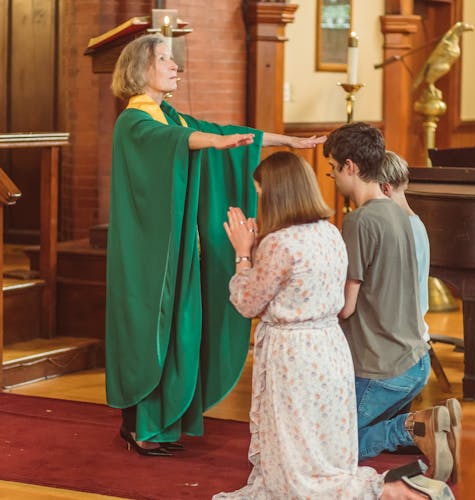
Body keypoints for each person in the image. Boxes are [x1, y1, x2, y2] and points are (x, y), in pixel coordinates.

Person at [105, 33, 326, 457]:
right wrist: (215, 142)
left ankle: (166, 423)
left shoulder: (172, 118)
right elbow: (175, 143)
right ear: (140, 69)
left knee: (183, 331)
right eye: (165, 59)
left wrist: (289, 142)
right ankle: (140, 426)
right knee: (155, 332)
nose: (175, 66)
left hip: (183, 251)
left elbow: (228, 134)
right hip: (150, 257)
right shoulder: (134, 122)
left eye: (174, 60)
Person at [214, 151, 452, 499]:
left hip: (294, 355)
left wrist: (243, 252)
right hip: (331, 347)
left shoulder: (280, 244)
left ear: (277, 194)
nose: (260, 200)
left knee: (300, 453)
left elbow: (247, 302)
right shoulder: (328, 232)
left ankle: (396, 493)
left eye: (262, 193)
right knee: (324, 443)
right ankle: (400, 488)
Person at [324, 122, 456, 482]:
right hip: (414, 362)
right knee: (360, 434)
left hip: (381, 369)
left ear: (350, 167)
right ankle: (430, 431)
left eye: (333, 169)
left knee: (325, 446)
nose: (333, 178)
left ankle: (414, 427)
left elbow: (345, 307)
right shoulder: (402, 215)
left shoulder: (359, 220)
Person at [380, 150, 462, 483]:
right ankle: (438, 431)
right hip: (416, 344)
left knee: (338, 437)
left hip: (393, 351)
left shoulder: (393, 228)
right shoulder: (416, 223)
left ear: (383, 189)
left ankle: (423, 426)